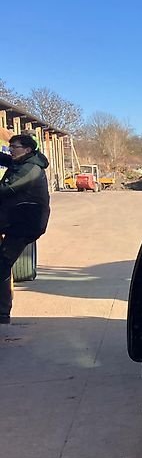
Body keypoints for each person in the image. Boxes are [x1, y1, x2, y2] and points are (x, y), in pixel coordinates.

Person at [0, 134, 51, 324]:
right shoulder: (22, 162)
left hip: (25, 223)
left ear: (27, 150)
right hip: (14, 218)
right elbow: (4, 158)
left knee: (2, 265)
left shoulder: (30, 169)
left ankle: (2, 313)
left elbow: (6, 189)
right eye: (10, 146)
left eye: (15, 146)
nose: (11, 149)